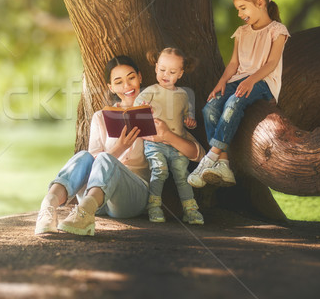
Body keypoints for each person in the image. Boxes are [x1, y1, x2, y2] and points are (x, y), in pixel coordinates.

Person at [35, 55, 205, 236]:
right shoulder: (101, 117)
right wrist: (121, 147)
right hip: (93, 200)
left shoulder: (159, 114)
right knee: (84, 156)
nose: (127, 86)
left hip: (130, 198)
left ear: (140, 77)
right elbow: (93, 163)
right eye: (118, 82)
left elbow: (199, 154)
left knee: (105, 159)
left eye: (131, 78)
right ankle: (47, 209)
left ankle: (83, 215)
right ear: (111, 87)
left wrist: (167, 135)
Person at [188, 0, 290, 188]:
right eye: (237, 9)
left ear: (260, 3)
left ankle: (209, 158)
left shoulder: (277, 30)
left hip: (263, 82)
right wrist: (222, 82)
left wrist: (252, 80)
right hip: (238, 80)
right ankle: (224, 164)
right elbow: (234, 63)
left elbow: (271, 63)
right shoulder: (242, 32)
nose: (239, 14)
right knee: (210, 108)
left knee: (234, 103)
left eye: (243, 8)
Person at [134, 48, 204, 224]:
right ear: (156, 67)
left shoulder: (183, 95)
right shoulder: (149, 92)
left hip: (177, 142)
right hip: (155, 143)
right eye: (163, 69)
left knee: (182, 174)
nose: (166, 74)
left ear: (180, 73)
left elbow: (188, 116)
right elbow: (135, 113)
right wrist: (144, 110)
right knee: (159, 170)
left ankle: (191, 210)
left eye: (172, 72)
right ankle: (154, 206)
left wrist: (190, 121)